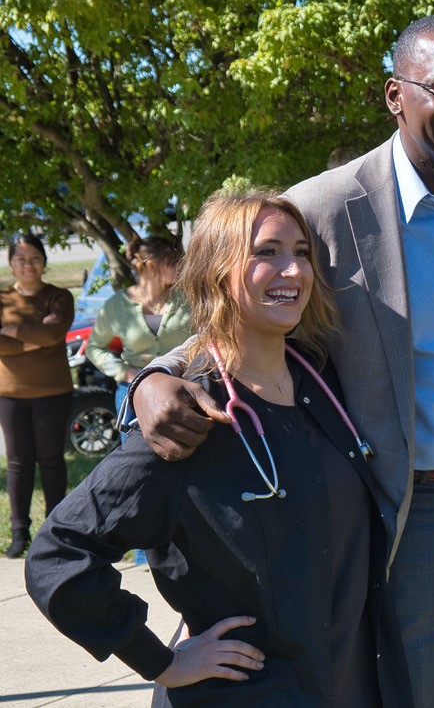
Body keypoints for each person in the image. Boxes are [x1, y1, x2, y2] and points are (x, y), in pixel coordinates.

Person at [131, 15, 434, 707]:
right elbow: (243, 313)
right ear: (394, 96)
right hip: (415, 516)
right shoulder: (327, 207)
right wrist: (152, 380)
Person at [26, 188, 404, 704]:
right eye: (265, 253)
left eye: (301, 252)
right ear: (215, 273)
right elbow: (58, 553)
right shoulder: (186, 420)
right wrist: (160, 660)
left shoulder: (323, 382)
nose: (292, 271)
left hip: (343, 685)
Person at [0, 233, 74, 559]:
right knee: (18, 463)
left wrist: (13, 331)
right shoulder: (2, 299)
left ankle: (54, 531)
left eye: (34, 258)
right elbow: (42, 337)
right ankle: (19, 533)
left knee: (51, 461)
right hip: (9, 393)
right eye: (20, 259)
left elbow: (55, 332)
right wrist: (38, 337)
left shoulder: (59, 297)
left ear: (43, 261)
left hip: (53, 392)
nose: (27, 265)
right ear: (11, 263)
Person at [87, 236, 192, 417]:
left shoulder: (187, 299)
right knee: (135, 446)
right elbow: (94, 347)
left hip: (183, 390)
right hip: (134, 392)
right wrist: (126, 372)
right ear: (152, 266)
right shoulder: (116, 306)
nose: (181, 267)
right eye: (174, 263)